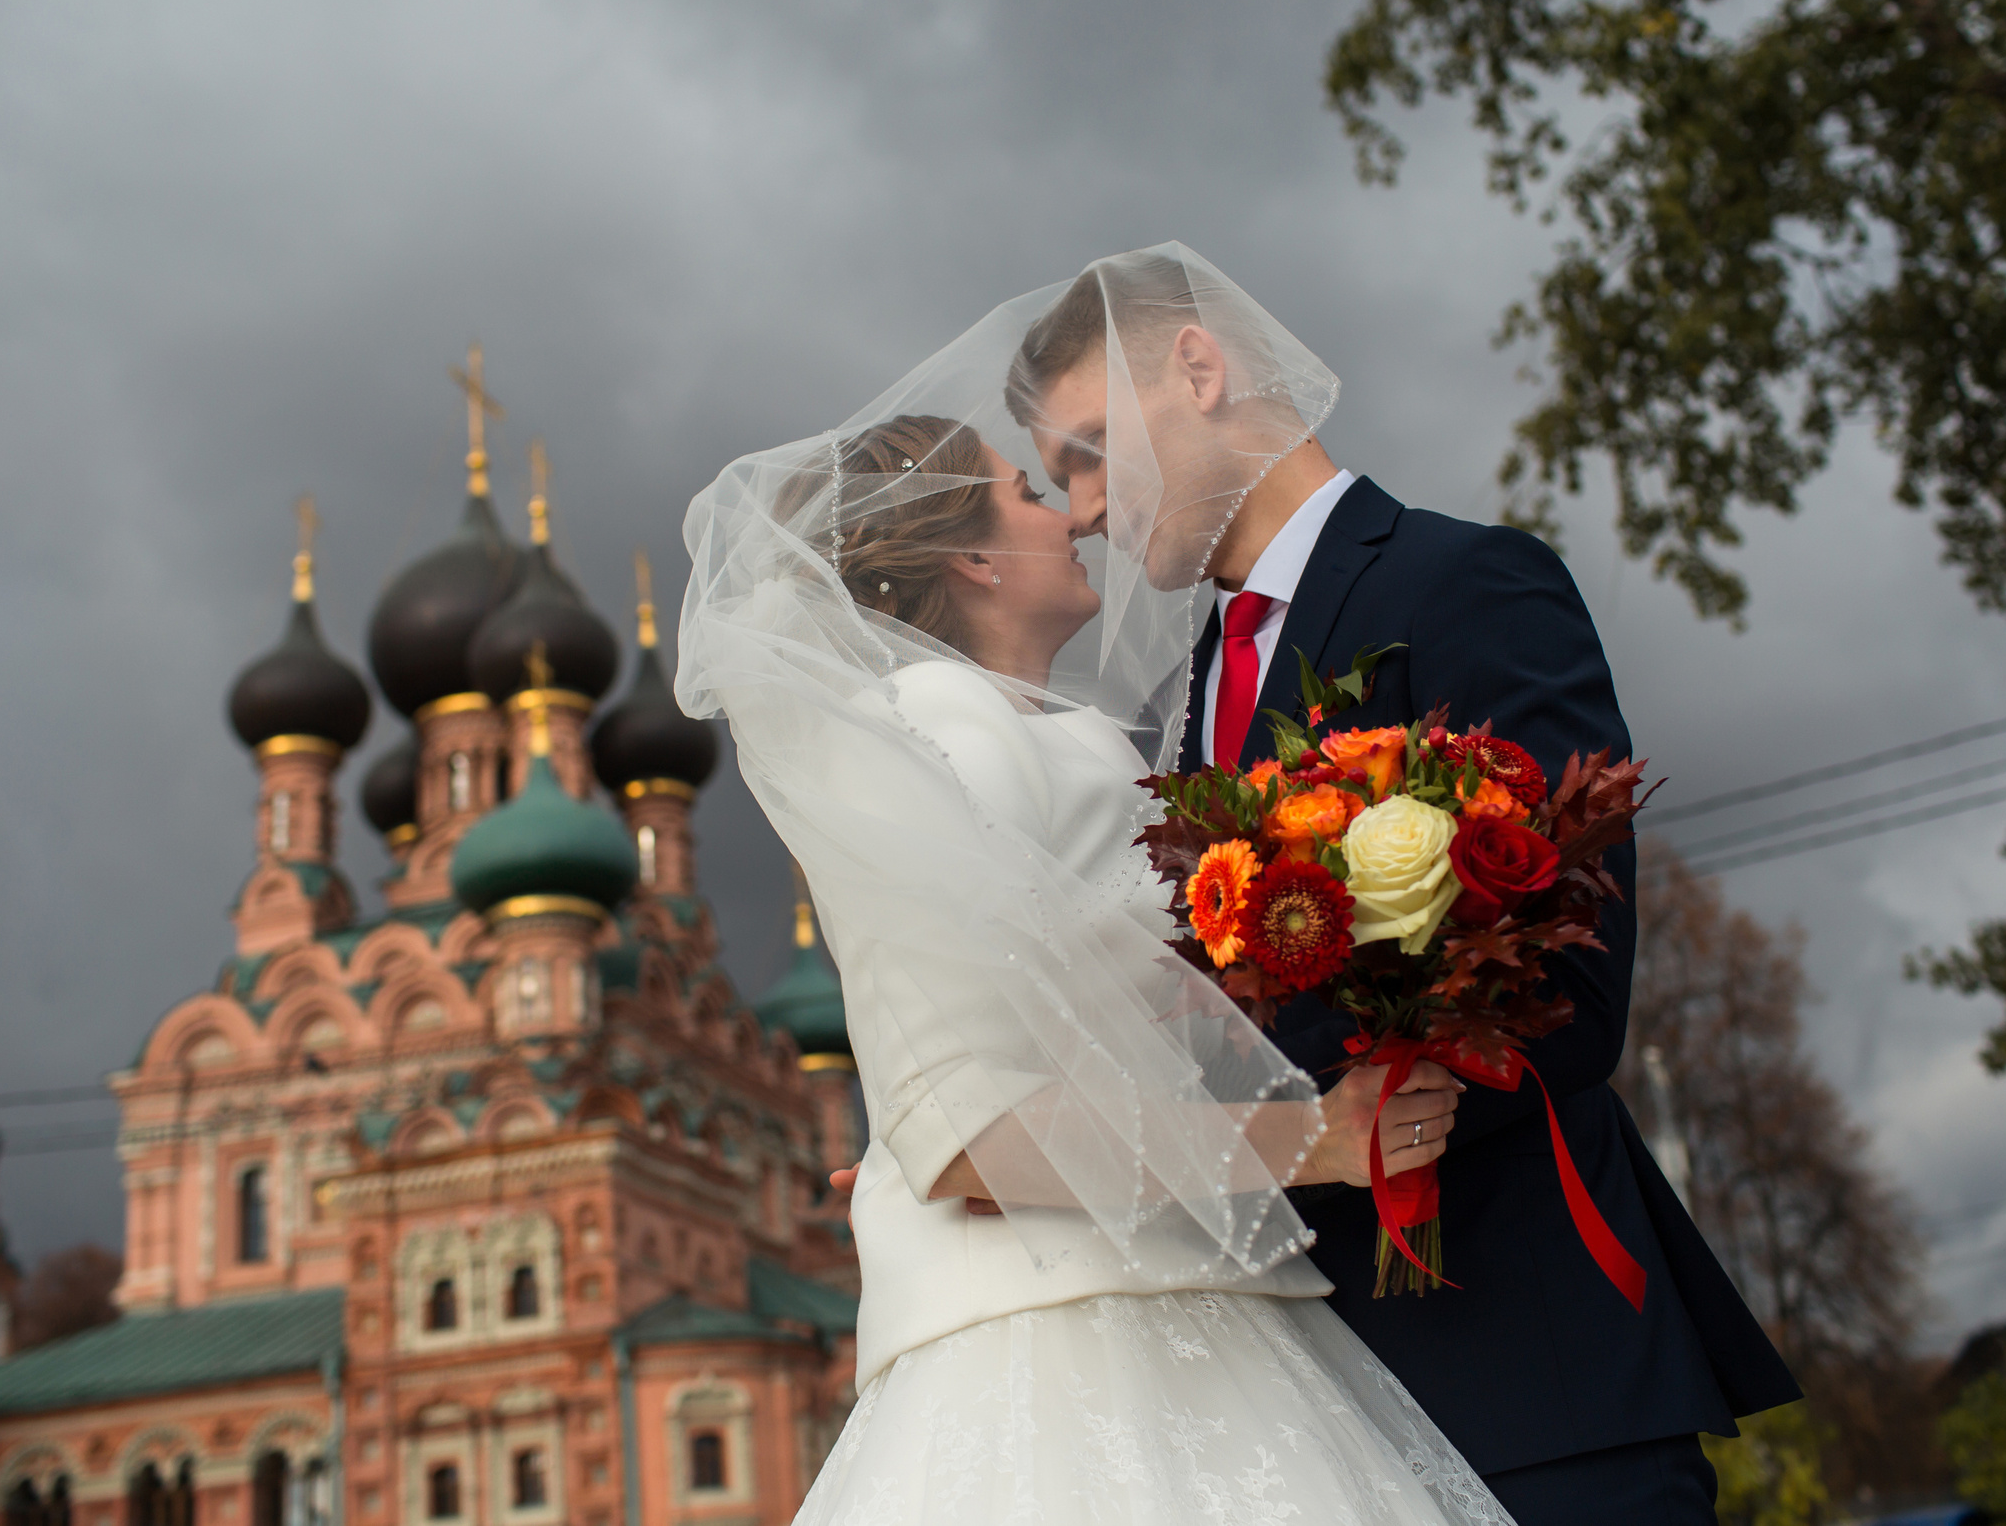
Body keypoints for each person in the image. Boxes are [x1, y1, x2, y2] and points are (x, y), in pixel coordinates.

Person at [1003, 244, 1802, 1525]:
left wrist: (1342, 1132)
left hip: (1527, 1369)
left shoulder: (1460, 583)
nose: (1085, 507)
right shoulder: (1170, 712)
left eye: (1089, 451)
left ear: (1198, 369)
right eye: (1059, 481)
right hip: (1301, 1422)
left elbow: (1571, 977)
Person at [677, 309, 1509, 1517]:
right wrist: (1312, 1140)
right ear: (970, 561)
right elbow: (963, 1129)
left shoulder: (1055, 741)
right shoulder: (926, 737)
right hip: (1059, 1340)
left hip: (1170, 1290)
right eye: (1027, 487)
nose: (1071, 514)